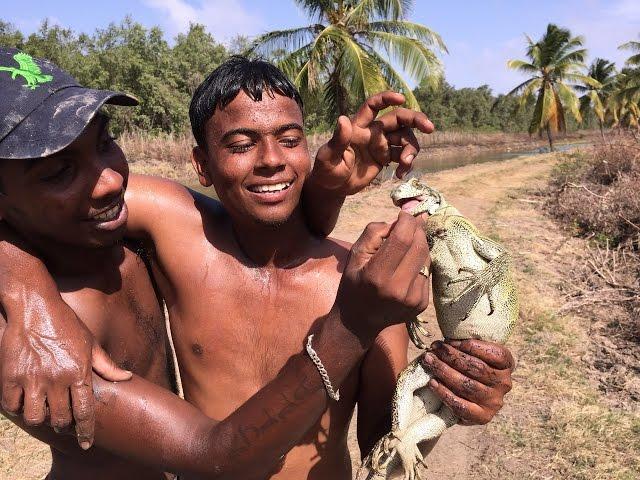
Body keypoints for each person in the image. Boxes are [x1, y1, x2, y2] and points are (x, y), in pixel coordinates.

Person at [0, 52, 514, 479]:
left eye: (290, 141)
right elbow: (217, 455)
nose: (270, 159)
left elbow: (385, 443)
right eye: (241, 145)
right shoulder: (179, 234)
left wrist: (446, 396)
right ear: (201, 164)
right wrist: (25, 288)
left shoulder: (363, 284)